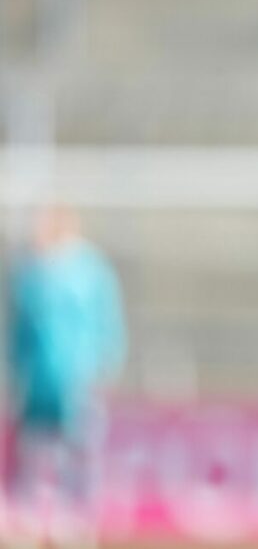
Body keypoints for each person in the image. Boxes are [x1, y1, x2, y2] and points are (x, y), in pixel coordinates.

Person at [6, 204, 127, 548]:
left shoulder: (90, 270)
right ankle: (31, 521)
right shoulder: (30, 273)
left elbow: (107, 321)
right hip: (38, 378)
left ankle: (76, 524)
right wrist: (14, 372)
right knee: (33, 451)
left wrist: (105, 364)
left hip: (78, 376)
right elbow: (19, 331)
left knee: (79, 451)